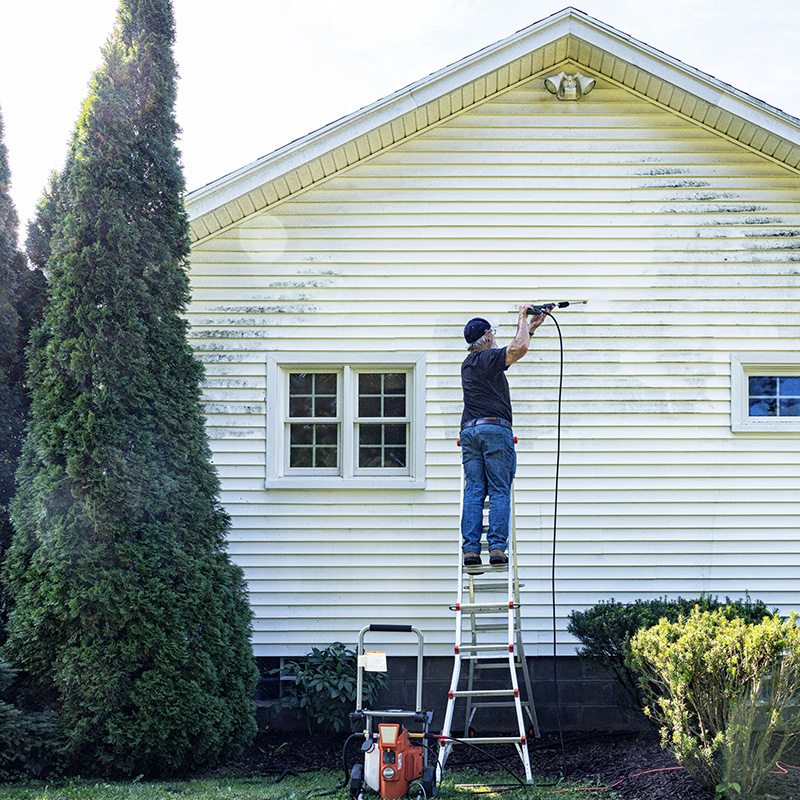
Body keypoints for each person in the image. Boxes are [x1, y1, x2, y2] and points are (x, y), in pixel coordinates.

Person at [460, 305, 547, 567]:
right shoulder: (487, 358)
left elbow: (517, 344)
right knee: (499, 489)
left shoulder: (469, 364)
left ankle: (470, 551)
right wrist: (522, 315)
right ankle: (497, 548)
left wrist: (531, 327)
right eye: (493, 334)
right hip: (494, 430)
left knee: (474, 491)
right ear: (487, 336)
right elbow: (518, 349)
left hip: (469, 431)